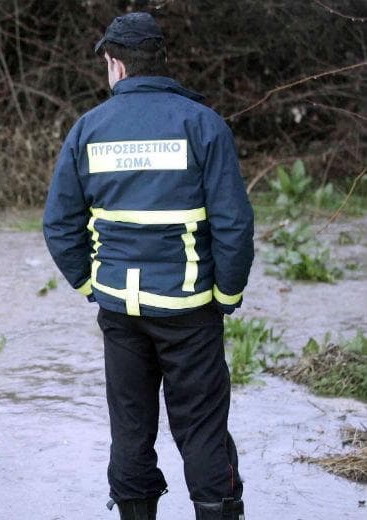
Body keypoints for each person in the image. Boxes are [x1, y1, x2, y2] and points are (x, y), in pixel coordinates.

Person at [42, 12, 253, 520]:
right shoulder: (202, 123)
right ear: (160, 60)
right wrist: (227, 294)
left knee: (131, 426)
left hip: (120, 309)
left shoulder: (88, 129)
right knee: (201, 427)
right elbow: (233, 225)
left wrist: (91, 284)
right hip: (189, 309)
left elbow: (59, 223)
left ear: (115, 65)